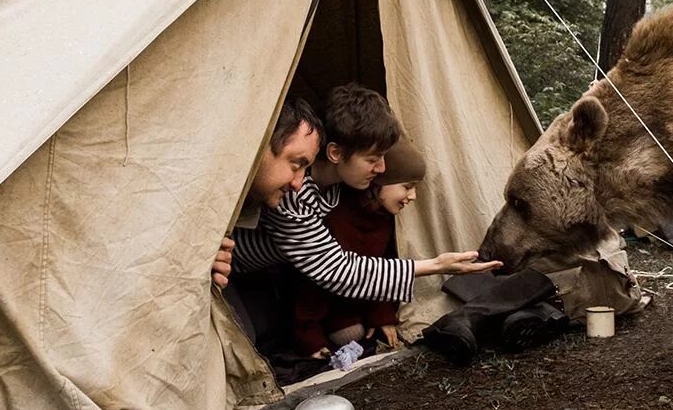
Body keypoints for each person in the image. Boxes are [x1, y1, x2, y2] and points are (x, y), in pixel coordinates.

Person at [211, 85, 497, 340]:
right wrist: (435, 266)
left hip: (272, 270)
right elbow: (338, 270)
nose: (382, 168)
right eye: (372, 159)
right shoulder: (292, 194)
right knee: (246, 336)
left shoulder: (339, 185)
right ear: (335, 154)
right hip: (233, 270)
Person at [285, 135, 426, 358]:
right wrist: (309, 337)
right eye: (407, 186)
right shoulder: (340, 215)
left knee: (361, 334)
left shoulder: (385, 217)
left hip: (357, 298)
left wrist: (381, 314)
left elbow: (384, 264)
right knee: (349, 334)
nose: (413, 196)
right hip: (321, 300)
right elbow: (313, 281)